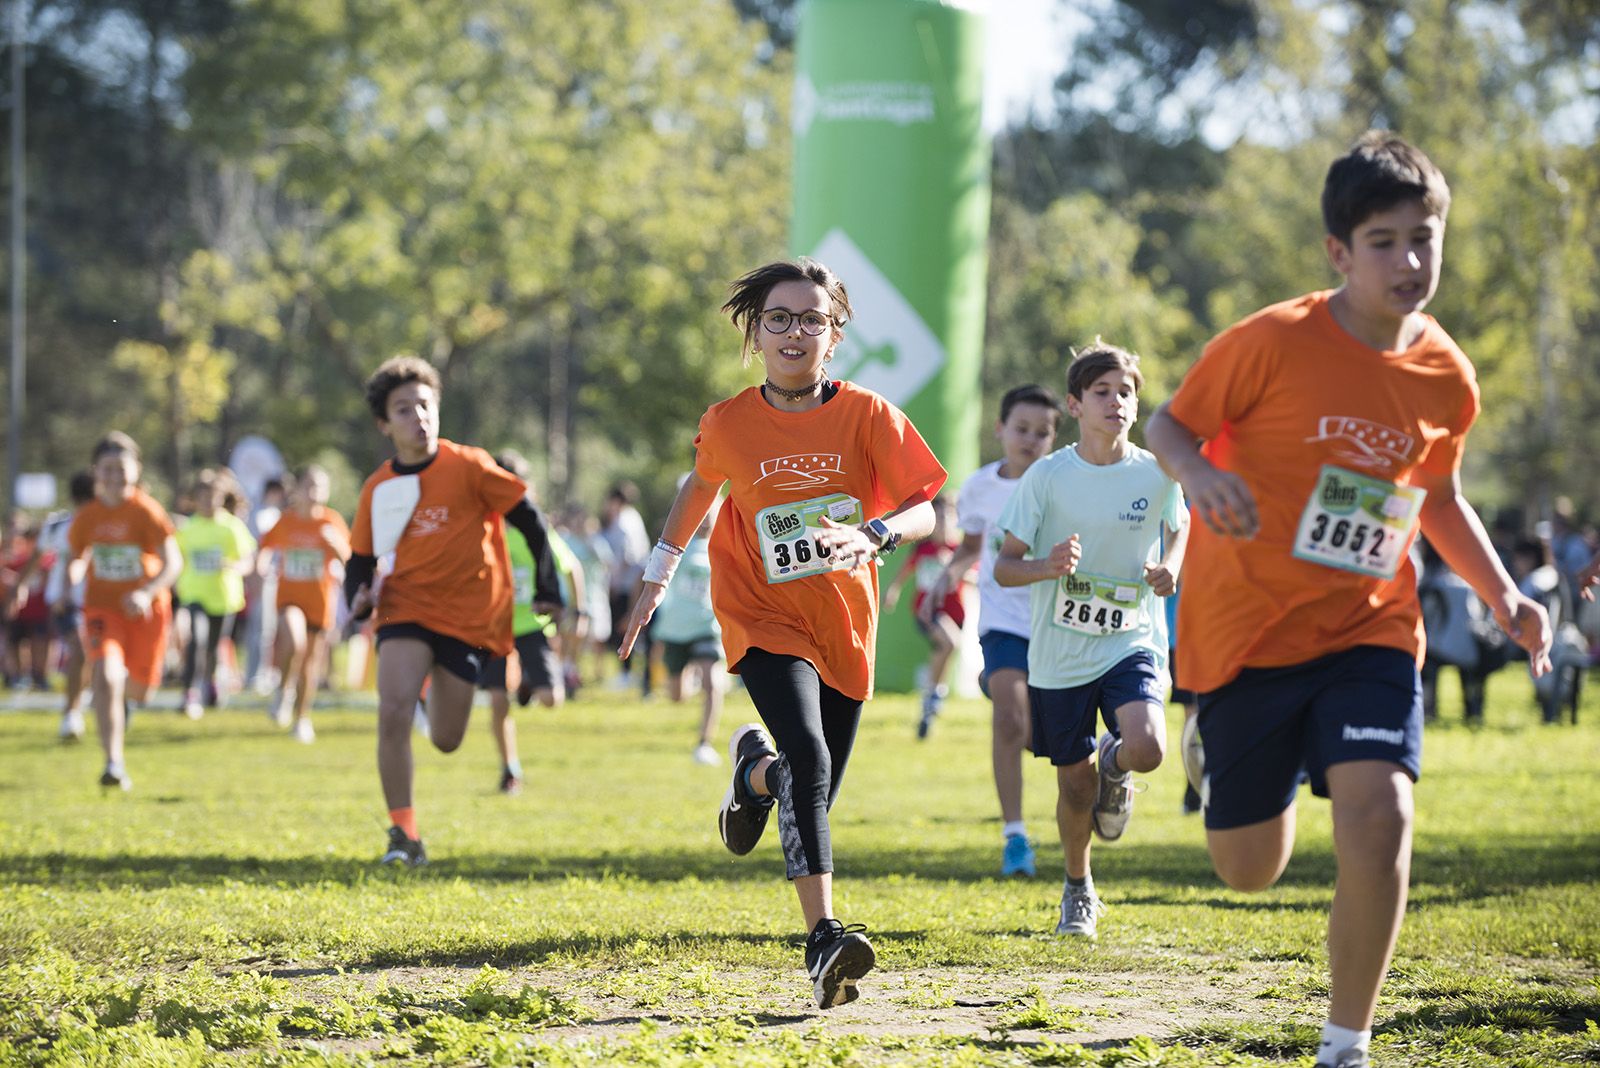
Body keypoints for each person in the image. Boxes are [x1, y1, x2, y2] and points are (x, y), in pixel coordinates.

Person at [1144, 132, 1554, 1068]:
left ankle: (1345, 1046)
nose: (1411, 261)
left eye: (1425, 236)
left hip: (1371, 625)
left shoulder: (1448, 375)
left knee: (1381, 816)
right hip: (1245, 632)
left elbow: (1437, 496)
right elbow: (1171, 423)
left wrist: (1499, 592)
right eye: (1384, 241)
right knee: (1249, 870)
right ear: (1338, 251)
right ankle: (1218, 747)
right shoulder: (1269, 342)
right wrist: (1196, 479)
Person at [619, 258, 944, 1009]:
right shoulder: (728, 422)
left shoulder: (868, 416)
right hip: (760, 613)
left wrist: (876, 533)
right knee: (810, 753)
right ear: (755, 332)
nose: (795, 331)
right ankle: (824, 938)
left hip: (843, 622)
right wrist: (658, 575)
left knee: (810, 781)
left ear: (835, 336)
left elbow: (928, 505)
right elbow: (697, 491)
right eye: (779, 318)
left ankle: (751, 775)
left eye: (812, 319)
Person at [994, 343, 1187, 940]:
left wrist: (1171, 567)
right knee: (1074, 785)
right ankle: (1078, 887)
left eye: (1125, 392)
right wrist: (1047, 567)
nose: (1116, 402)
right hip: (1060, 653)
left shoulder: (1156, 471)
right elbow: (1004, 567)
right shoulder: (1046, 477)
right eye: (1102, 392)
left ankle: (1118, 761)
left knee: (1149, 746)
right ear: (1076, 404)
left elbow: (1180, 526)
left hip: (1132, 639)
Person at [344, 356, 563, 866]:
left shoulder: (468, 466)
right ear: (384, 424)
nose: (417, 416)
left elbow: (529, 518)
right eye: (403, 409)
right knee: (392, 709)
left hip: (468, 617)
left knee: (446, 738)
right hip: (404, 608)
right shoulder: (378, 487)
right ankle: (403, 834)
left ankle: (426, 695)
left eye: (424, 404)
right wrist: (358, 594)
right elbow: (360, 559)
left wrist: (550, 586)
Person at [930, 384, 1061, 877]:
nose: (1030, 440)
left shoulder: (1061, 482)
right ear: (1000, 429)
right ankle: (1016, 836)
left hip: (1059, 623)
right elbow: (975, 544)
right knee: (1009, 720)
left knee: (1048, 734)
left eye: (1042, 432)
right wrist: (951, 570)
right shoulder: (981, 486)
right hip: (1003, 619)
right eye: (1022, 429)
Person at [65, 432, 183, 790]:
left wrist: (146, 593)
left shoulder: (147, 511)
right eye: (107, 469)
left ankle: (122, 708)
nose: (115, 476)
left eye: (122, 468)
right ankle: (113, 762)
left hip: (146, 613)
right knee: (107, 673)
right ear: (95, 472)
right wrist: (73, 573)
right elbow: (77, 557)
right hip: (103, 610)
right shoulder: (86, 517)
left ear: (136, 470)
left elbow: (173, 563)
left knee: (139, 691)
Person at [478, 449, 583, 795]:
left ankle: (525, 682)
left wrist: (577, 611)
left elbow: (571, 568)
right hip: (495, 624)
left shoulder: (534, 526)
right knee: (496, 700)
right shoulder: (482, 528)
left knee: (552, 697)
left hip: (533, 623)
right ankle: (510, 769)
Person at [257, 465, 351, 743]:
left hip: (320, 601)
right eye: (308, 486)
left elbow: (349, 558)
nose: (313, 492)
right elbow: (265, 547)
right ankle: (284, 689)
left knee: (311, 664)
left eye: (319, 487)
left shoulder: (331, 521)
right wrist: (261, 566)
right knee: (293, 640)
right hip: (289, 597)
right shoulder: (286, 521)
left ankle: (301, 719)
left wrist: (336, 547)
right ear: (296, 490)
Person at [647, 494, 724, 765]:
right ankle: (689, 674)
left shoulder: (722, 547)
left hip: (707, 627)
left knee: (712, 683)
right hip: (676, 630)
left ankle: (704, 742)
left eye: (711, 516)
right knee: (677, 696)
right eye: (702, 516)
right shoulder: (679, 547)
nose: (706, 522)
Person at [882, 495, 966, 739]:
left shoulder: (959, 550)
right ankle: (934, 695)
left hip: (955, 612)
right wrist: (893, 591)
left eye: (948, 518)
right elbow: (905, 570)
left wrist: (952, 569)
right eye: (938, 518)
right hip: (927, 612)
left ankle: (930, 699)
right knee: (950, 643)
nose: (942, 524)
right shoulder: (925, 549)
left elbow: (974, 578)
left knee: (943, 651)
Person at [174, 471, 257, 718]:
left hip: (223, 598)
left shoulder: (231, 526)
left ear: (222, 498)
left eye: (213, 497)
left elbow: (247, 560)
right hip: (193, 595)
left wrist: (235, 567)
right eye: (203, 497)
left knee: (211, 647)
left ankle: (210, 684)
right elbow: (178, 558)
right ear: (195, 499)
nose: (208, 502)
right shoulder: (189, 528)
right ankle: (189, 693)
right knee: (196, 641)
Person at [29, 471, 96, 740]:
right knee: (78, 651)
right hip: (63, 601)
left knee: (92, 656)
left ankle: (83, 699)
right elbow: (37, 556)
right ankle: (71, 714)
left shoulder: (103, 525)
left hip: (98, 601)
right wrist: (20, 588)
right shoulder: (58, 526)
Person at [601, 482, 651, 693]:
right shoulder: (634, 517)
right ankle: (632, 674)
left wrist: (613, 580)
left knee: (625, 629)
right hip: (635, 581)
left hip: (627, 584)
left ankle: (627, 673)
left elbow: (627, 557)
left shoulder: (623, 521)